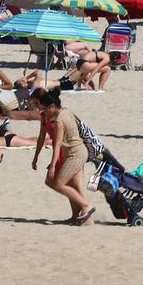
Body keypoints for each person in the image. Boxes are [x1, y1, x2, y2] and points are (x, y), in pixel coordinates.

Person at [32, 89, 95, 225]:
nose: (42, 111)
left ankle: (86, 206)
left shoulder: (59, 120)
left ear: (52, 107)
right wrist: (37, 157)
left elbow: (57, 143)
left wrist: (53, 164)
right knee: (71, 185)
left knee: (61, 184)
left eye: (43, 107)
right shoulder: (64, 112)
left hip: (74, 153)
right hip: (73, 152)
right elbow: (43, 138)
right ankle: (81, 218)